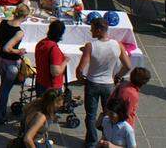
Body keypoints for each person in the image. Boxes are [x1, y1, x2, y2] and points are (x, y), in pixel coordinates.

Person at [78, 17, 132, 146]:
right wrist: (117, 76)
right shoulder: (117, 45)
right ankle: (107, 139)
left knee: (91, 115)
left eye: (92, 29)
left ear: (99, 30)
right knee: (108, 114)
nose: (91, 32)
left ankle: (91, 142)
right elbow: (128, 66)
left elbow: (80, 69)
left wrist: (82, 80)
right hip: (108, 84)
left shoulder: (90, 46)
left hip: (92, 83)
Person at [0, 3, 31, 126]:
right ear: (25, 16)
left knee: (4, 87)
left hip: (0, 59)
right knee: (5, 90)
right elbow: (8, 48)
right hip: (11, 63)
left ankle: (1, 113)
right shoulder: (19, 32)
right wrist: (19, 51)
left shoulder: (3, 23)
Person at [34, 19, 68, 95]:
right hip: (51, 86)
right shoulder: (53, 49)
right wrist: (65, 61)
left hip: (40, 81)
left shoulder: (41, 43)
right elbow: (55, 72)